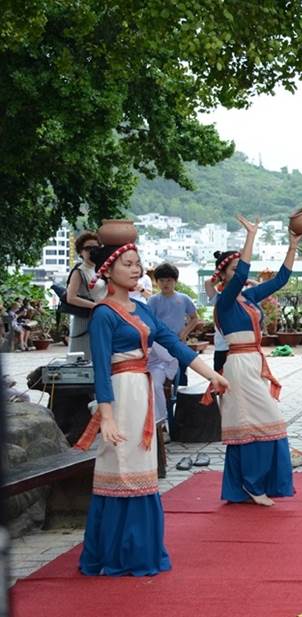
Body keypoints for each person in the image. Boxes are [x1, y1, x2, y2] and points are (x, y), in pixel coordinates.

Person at [76, 242, 229, 576]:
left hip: (142, 391)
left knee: (141, 471)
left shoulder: (142, 309)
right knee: (120, 468)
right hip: (119, 394)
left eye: (138, 263)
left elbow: (173, 344)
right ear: (108, 271)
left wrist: (212, 374)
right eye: (128, 264)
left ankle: (140, 551)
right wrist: (107, 415)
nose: (136, 269)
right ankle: (115, 554)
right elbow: (100, 368)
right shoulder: (103, 313)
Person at [210, 214, 302, 506]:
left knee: (251, 426)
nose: (241, 272)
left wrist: (292, 245)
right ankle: (252, 484)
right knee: (266, 422)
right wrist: (251, 235)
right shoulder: (225, 299)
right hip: (238, 365)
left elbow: (281, 279)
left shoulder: (248, 298)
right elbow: (241, 276)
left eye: (241, 266)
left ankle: (244, 486)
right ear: (223, 276)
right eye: (235, 268)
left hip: (252, 361)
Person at [146, 262, 200, 426]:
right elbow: (149, 322)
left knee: (180, 381)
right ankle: (162, 419)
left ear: (175, 281)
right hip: (159, 346)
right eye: (161, 280)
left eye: (169, 280)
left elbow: (194, 318)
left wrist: (184, 333)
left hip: (178, 345)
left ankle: (180, 418)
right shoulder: (153, 300)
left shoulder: (183, 299)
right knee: (159, 384)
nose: (165, 284)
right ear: (156, 282)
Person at [65, 231, 105, 361]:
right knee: (82, 358)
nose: (92, 251)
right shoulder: (79, 271)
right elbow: (71, 298)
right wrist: (95, 306)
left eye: (96, 248)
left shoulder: (102, 270)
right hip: (84, 319)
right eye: (88, 248)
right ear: (81, 252)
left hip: (101, 317)